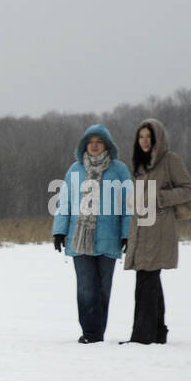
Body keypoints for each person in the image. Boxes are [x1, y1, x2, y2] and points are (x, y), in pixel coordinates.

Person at [51, 125, 133, 343]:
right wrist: (59, 230)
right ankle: (90, 333)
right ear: (85, 145)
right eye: (91, 141)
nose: (95, 145)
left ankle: (97, 332)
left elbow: (128, 206)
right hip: (79, 238)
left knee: (103, 289)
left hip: (109, 238)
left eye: (99, 141)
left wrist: (127, 233)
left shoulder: (119, 170)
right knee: (86, 288)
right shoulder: (75, 170)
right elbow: (65, 203)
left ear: (107, 144)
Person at [122, 118, 191, 344]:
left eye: (149, 137)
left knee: (147, 280)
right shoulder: (140, 165)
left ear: (158, 139)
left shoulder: (170, 160)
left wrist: (160, 198)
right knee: (148, 280)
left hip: (160, 231)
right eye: (141, 136)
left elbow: (188, 190)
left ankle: (142, 336)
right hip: (142, 230)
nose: (144, 141)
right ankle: (157, 332)